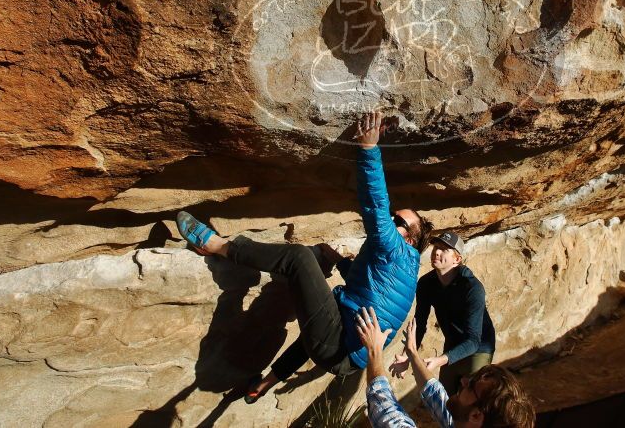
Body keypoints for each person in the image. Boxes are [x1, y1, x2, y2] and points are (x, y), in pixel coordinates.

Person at [176, 110, 433, 403]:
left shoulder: (396, 250)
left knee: (299, 258)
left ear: (410, 238)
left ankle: (218, 246)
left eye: (398, 222)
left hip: (339, 345)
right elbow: (369, 287)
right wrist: (339, 260)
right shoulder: (405, 267)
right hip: (345, 355)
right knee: (315, 331)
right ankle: (262, 385)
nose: (391, 220)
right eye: (394, 216)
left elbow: (375, 206)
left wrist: (369, 149)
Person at [356, 307, 535, 428]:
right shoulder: (468, 422)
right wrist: (412, 352)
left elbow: (386, 412)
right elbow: (437, 396)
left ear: (476, 416)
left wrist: (374, 350)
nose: (464, 380)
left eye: (471, 386)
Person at [391, 231, 495, 394]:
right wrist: (407, 356)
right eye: (435, 247)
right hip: (453, 343)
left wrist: (440, 360)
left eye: (444, 249)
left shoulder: (472, 288)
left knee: (474, 398)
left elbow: (474, 340)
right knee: (448, 398)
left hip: (479, 347)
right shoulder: (426, 283)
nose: (436, 252)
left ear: (457, 259)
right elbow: (420, 324)